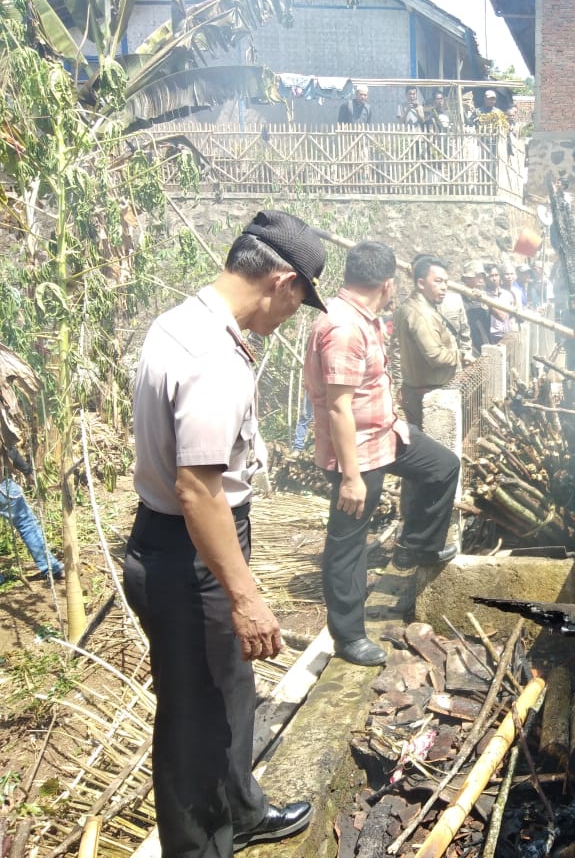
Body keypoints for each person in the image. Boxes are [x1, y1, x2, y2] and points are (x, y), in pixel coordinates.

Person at [125, 209, 325, 857]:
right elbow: (199, 490)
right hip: (191, 553)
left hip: (176, 543)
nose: (291, 317)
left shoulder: (181, 322)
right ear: (283, 282)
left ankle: (241, 808)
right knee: (196, 718)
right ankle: (200, 846)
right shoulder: (213, 358)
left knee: (229, 688)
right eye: (298, 302)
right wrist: (244, 594)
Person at [304, 242, 460, 669]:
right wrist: (351, 476)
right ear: (388, 284)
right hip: (356, 454)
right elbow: (338, 406)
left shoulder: (363, 318)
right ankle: (349, 637)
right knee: (349, 543)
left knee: (443, 467)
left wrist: (395, 420)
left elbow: (371, 386)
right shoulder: (343, 328)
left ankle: (419, 545)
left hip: (384, 436)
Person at [392, 255, 464, 429]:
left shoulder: (408, 306)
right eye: (438, 281)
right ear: (421, 283)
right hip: (428, 394)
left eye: (446, 282)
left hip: (417, 389)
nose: (444, 287)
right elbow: (436, 356)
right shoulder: (421, 314)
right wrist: (460, 355)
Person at [1, 446, 63, 581]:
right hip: (3, 488)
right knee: (27, 526)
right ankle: (51, 567)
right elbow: (8, 448)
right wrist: (27, 470)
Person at [460, 260, 491, 356]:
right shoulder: (459, 298)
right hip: (469, 344)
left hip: (485, 341)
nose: (481, 279)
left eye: (482, 276)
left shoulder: (485, 296)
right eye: (477, 276)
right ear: (466, 279)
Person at [484, 263, 516, 343]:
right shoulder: (483, 296)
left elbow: (512, 315)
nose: (494, 279)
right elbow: (502, 317)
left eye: (496, 275)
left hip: (507, 337)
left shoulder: (507, 294)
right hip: (492, 338)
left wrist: (512, 326)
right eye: (491, 276)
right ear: (485, 278)